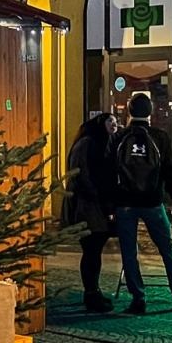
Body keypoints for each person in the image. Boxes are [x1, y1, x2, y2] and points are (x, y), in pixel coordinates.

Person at [111, 93, 172, 316]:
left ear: (128, 111)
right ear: (151, 112)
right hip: (153, 201)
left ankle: (138, 298)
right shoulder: (160, 137)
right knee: (167, 249)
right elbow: (170, 170)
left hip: (125, 202)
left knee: (129, 252)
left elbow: (110, 171)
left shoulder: (119, 137)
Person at [64, 113, 119, 312]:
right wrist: (97, 195)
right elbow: (80, 174)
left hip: (95, 206)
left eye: (115, 121)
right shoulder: (87, 143)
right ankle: (91, 294)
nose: (114, 125)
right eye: (109, 121)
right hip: (86, 206)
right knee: (91, 250)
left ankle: (93, 292)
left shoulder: (103, 143)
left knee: (94, 250)